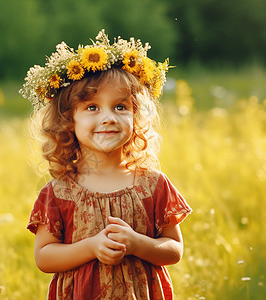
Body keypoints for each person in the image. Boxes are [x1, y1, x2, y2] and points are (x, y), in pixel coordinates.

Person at [21, 30, 192, 300]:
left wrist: (138, 244)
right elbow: (44, 256)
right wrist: (91, 247)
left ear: (136, 116)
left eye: (121, 106)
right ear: (69, 121)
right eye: (92, 108)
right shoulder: (58, 192)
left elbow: (174, 250)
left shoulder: (152, 184)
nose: (108, 118)